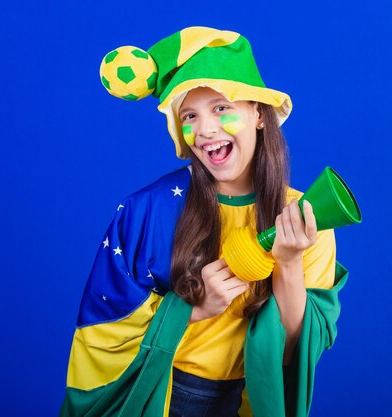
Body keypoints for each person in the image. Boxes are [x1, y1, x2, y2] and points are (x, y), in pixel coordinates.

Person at [60, 27, 348, 417]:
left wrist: (290, 262)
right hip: (160, 397)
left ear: (259, 114)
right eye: (190, 116)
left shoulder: (303, 219)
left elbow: (294, 351)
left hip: (247, 402)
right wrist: (192, 308)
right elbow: (103, 328)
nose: (206, 130)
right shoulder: (148, 210)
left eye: (221, 108)